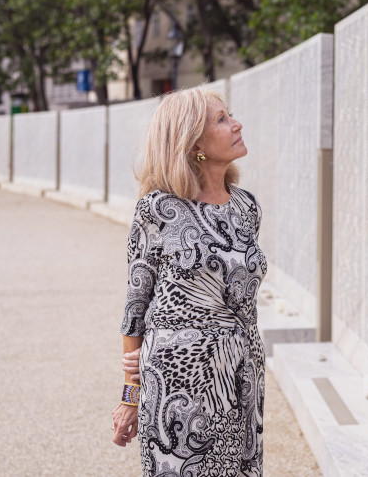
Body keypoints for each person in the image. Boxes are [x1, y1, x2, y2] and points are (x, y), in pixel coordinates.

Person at [111, 86, 266, 476]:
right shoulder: (158, 209)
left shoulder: (246, 207)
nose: (236, 124)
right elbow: (135, 308)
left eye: (229, 116)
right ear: (192, 141)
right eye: (221, 119)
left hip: (242, 373)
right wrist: (131, 396)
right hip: (179, 383)